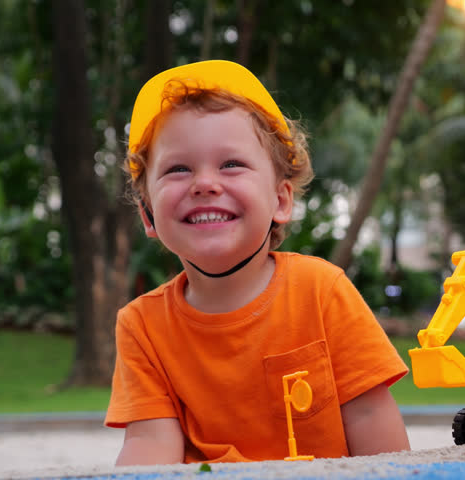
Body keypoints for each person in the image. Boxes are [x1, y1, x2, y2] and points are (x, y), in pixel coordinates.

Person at [105, 60, 410, 465]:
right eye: (178, 169)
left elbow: (374, 422)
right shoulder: (142, 326)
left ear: (281, 200)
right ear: (148, 216)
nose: (205, 183)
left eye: (231, 164)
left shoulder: (322, 291)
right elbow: (149, 444)